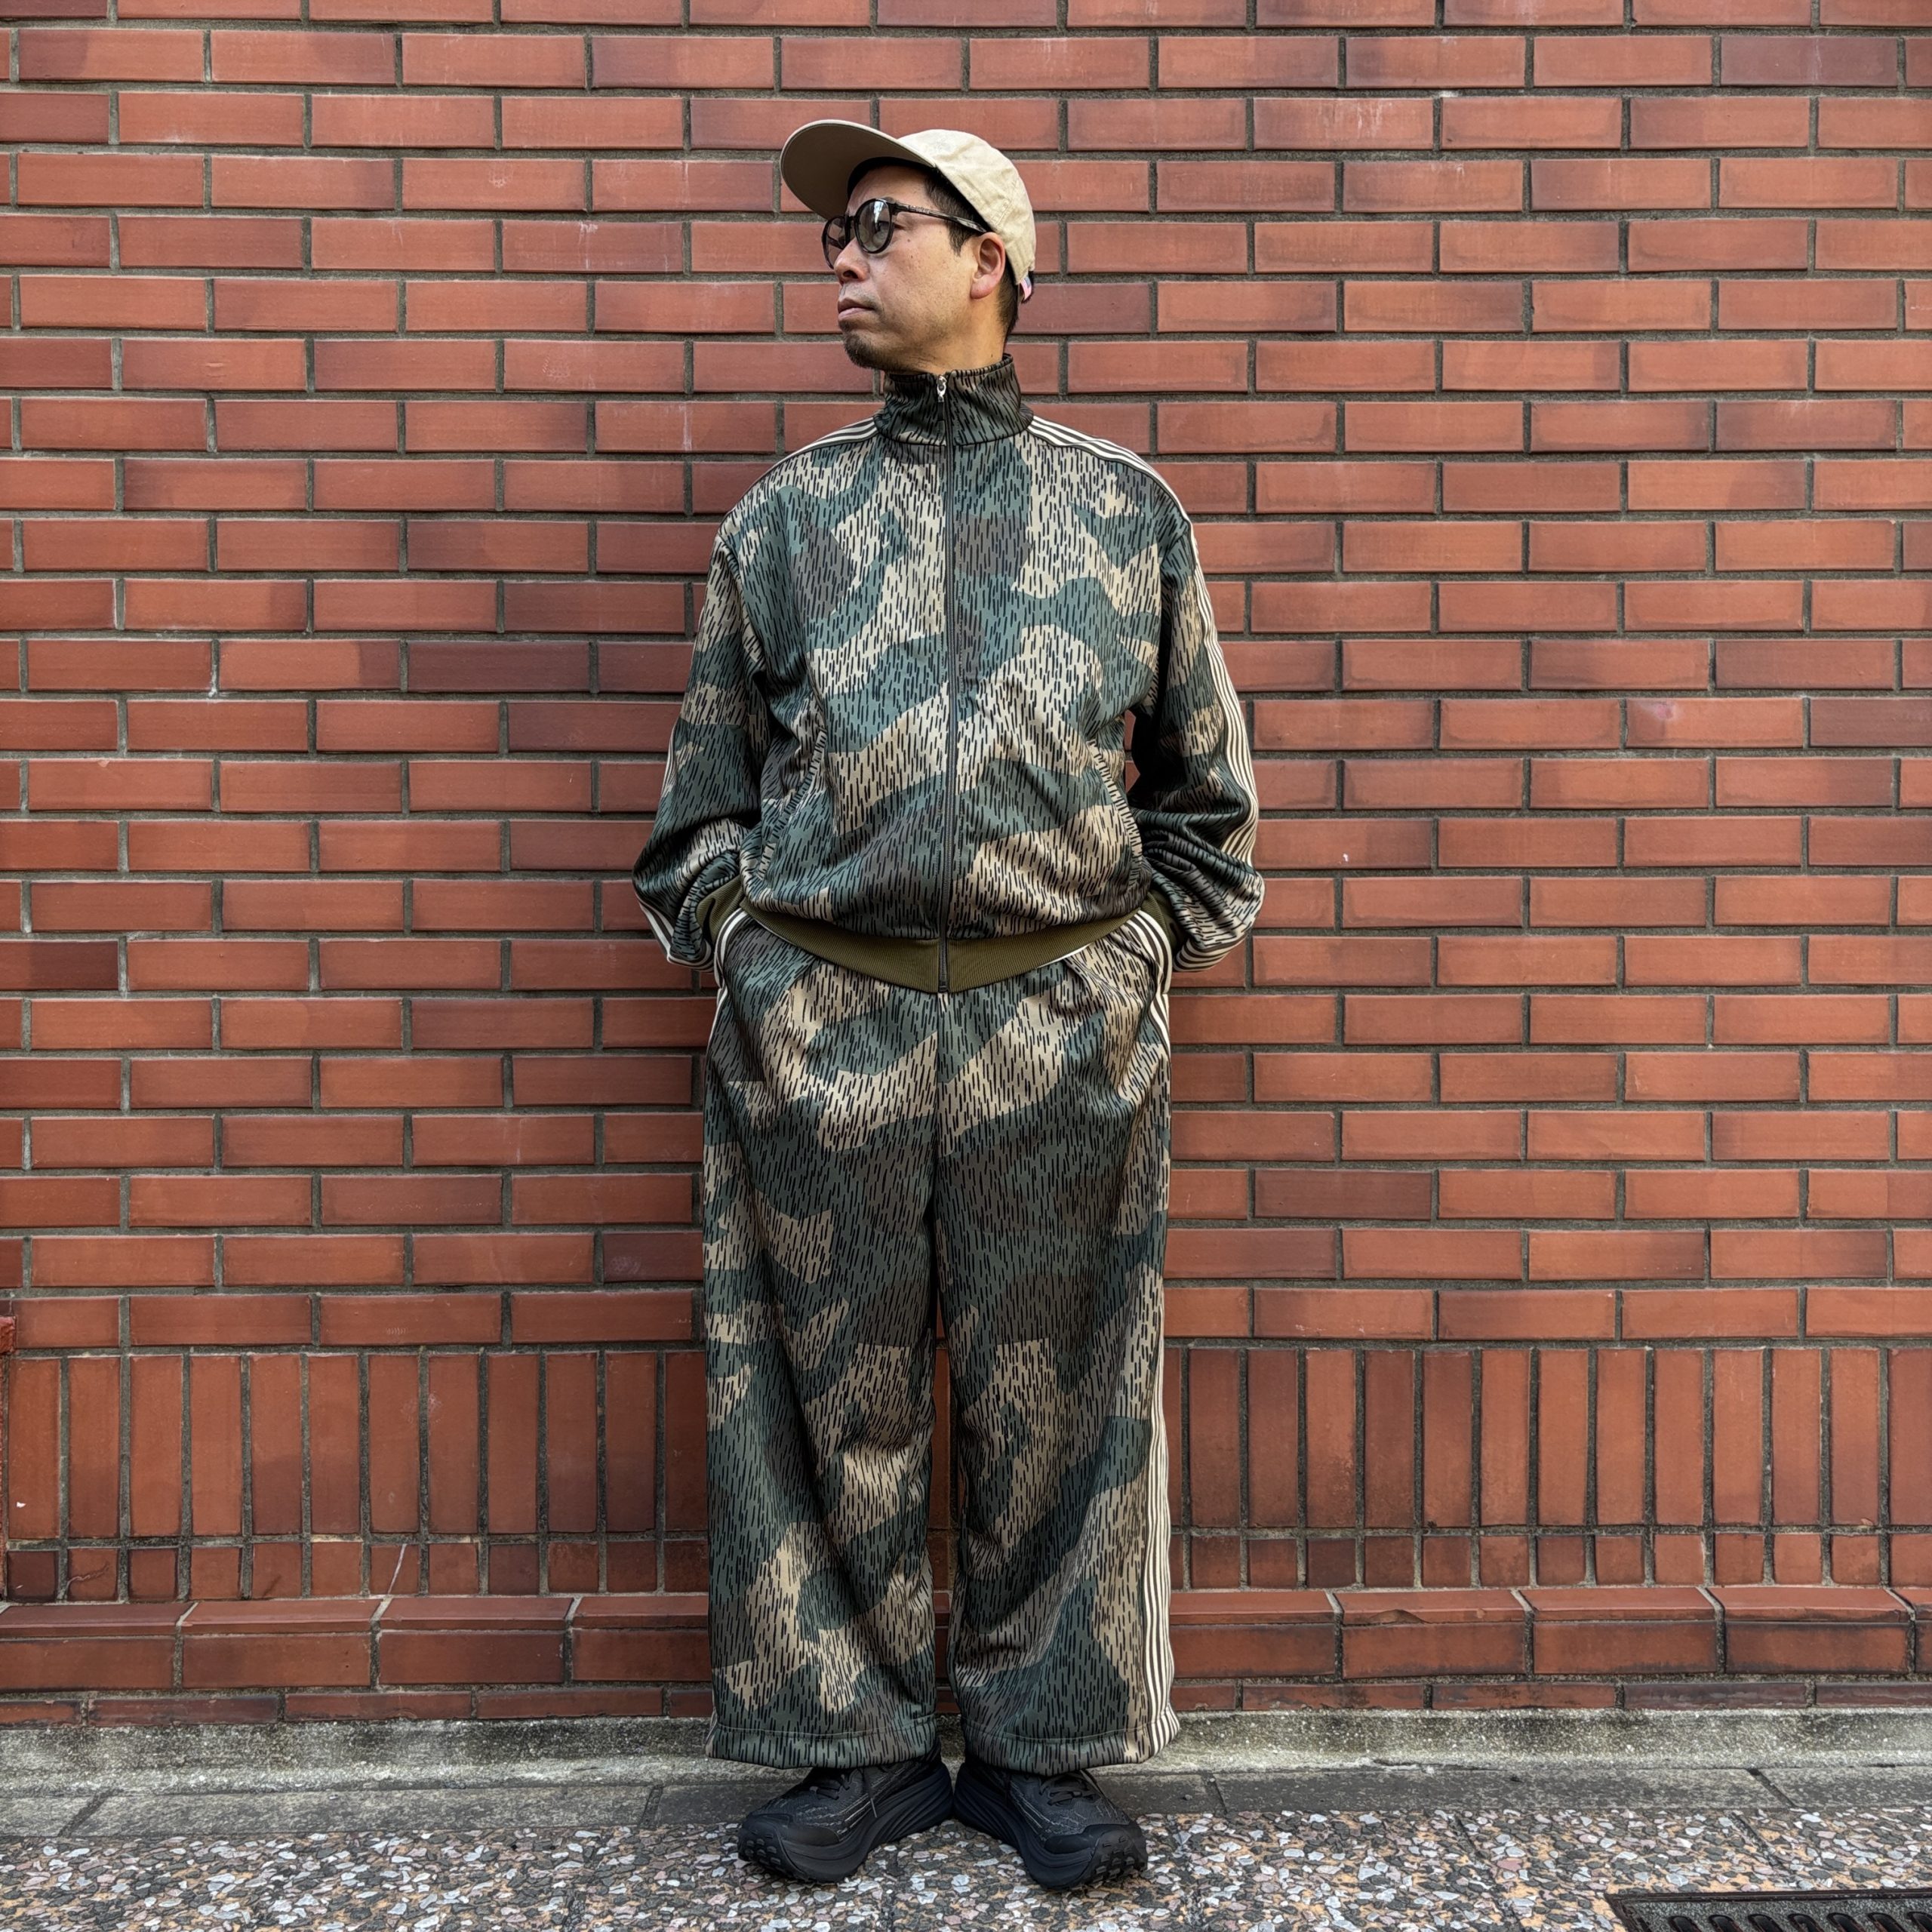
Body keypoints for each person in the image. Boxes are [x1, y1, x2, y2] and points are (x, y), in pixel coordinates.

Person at [631, 118, 1263, 1894]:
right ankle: (855, 1743)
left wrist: (1115, 973)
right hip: (817, 1044)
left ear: (988, 257)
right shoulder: (782, 525)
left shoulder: (1123, 513)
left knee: (1058, 1405)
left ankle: (1042, 1749)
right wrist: (757, 965)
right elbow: (692, 826)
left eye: (876, 225)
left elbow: (1209, 817)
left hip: (1054, 1048)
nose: (839, 258)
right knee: (818, 1409)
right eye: (832, 234)